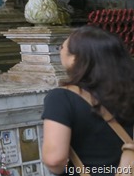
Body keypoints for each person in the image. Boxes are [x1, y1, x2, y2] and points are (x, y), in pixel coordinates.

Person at [42, 25, 134, 175]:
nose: (60, 51)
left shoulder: (61, 98)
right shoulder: (129, 91)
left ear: (76, 59)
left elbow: (54, 159)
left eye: (62, 47)